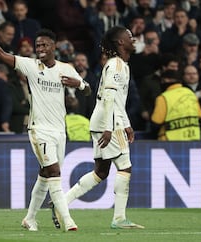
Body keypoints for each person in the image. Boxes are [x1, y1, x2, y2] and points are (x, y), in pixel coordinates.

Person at [0, 19, 91, 231]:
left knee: (46, 175)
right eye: (38, 46)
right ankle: (68, 221)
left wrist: (79, 84)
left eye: (44, 45)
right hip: (39, 130)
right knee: (54, 172)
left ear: (54, 46)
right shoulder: (31, 66)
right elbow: (1, 55)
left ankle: (30, 218)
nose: (40, 49)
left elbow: (88, 90)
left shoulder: (66, 69)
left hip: (59, 132)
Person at [54, 26, 144, 229]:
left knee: (101, 172)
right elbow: (109, 96)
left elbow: (116, 100)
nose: (133, 39)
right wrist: (110, 127)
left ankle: (62, 204)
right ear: (120, 42)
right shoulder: (117, 66)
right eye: (129, 37)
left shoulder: (119, 65)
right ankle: (119, 219)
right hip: (109, 123)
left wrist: (127, 124)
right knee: (125, 167)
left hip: (107, 121)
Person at [151, 69, 201, 140]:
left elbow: (156, 121)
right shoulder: (190, 93)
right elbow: (200, 115)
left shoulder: (163, 97)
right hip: (193, 139)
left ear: (166, 80)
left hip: (170, 142)